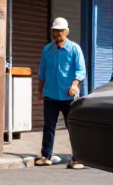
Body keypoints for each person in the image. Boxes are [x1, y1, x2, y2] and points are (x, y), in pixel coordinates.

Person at [36, 17, 86, 169]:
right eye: (55, 31)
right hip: (51, 94)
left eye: (60, 31)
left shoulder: (74, 49)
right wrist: (39, 91)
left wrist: (74, 84)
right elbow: (42, 73)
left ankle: (77, 158)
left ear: (67, 32)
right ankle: (46, 156)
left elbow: (81, 70)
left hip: (68, 95)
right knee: (48, 126)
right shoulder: (47, 50)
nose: (57, 33)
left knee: (72, 127)